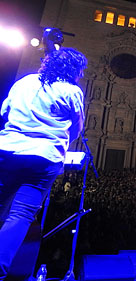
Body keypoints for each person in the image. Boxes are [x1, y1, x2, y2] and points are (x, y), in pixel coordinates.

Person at [0, 47, 87, 279]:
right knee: (21, 214)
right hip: (44, 158)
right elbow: (77, 128)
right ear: (75, 70)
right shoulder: (71, 91)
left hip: (8, 150)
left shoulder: (25, 82)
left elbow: (4, 110)